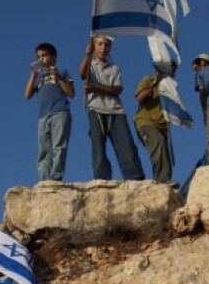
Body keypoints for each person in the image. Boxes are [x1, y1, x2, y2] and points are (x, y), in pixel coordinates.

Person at [78, 36, 145, 180]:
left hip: (116, 110)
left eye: (106, 45)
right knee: (98, 147)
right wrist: (87, 55)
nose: (103, 47)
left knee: (126, 146)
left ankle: (135, 178)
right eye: (100, 44)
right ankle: (102, 179)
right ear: (93, 46)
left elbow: (117, 89)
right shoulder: (90, 64)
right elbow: (82, 74)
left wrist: (96, 88)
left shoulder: (114, 68)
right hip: (96, 108)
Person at [24, 43, 74, 183]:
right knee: (44, 149)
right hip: (43, 116)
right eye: (39, 56)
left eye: (44, 55)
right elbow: (27, 95)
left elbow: (71, 92)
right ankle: (45, 179)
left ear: (54, 57)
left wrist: (57, 77)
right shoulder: (39, 78)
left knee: (59, 146)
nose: (41, 59)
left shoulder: (63, 72)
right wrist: (33, 75)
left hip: (60, 112)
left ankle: (56, 177)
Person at [134, 60, 175, 183]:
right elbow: (139, 98)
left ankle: (165, 180)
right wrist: (154, 84)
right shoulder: (148, 80)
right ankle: (162, 181)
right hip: (146, 122)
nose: (172, 73)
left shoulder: (169, 89)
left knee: (163, 152)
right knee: (159, 143)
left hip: (161, 126)